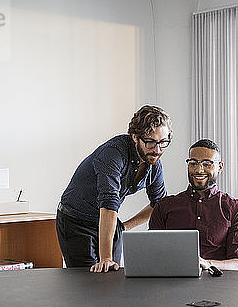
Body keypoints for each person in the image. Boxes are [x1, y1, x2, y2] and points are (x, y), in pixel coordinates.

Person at [56, 105, 172, 273]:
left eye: (163, 142)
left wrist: (124, 227)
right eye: (151, 142)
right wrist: (106, 258)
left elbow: (159, 205)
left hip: (107, 221)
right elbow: (109, 203)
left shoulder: (154, 164)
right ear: (135, 137)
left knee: (111, 279)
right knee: (88, 283)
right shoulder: (113, 153)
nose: (157, 150)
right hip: (76, 221)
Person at [149, 139, 238, 271]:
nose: (199, 170)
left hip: (218, 286)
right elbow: (152, 255)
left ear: (220, 167)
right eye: (193, 163)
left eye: (207, 164)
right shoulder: (164, 206)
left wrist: (207, 264)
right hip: (172, 285)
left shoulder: (236, 208)